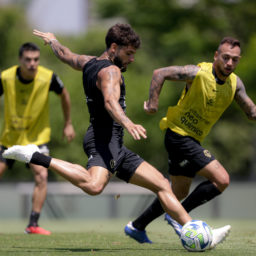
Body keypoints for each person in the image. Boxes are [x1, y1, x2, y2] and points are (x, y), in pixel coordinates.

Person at [3, 24, 228, 248]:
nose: (132, 59)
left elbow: (66, 55)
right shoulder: (111, 72)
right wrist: (128, 122)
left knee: (162, 185)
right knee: (93, 186)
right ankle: (36, 156)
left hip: (114, 144)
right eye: (128, 53)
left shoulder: (89, 62)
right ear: (113, 47)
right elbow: (111, 102)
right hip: (103, 141)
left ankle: (195, 232)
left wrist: (53, 41)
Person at [124, 37, 253, 243]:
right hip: (179, 136)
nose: (230, 63)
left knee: (178, 192)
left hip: (191, 139)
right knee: (222, 179)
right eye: (226, 57)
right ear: (216, 56)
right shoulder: (198, 73)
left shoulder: (235, 84)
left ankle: (137, 226)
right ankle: (180, 217)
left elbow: (251, 111)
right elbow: (160, 73)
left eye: (235, 60)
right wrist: (153, 104)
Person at [0, 42, 75, 235]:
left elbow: (64, 95)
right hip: (9, 138)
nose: (32, 63)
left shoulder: (48, 77)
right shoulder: (5, 77)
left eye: (35, 59)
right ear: (20, 60)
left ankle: (33, 224)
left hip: (36, 139)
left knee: (42, 175)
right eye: (27, 59)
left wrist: (68, 123)